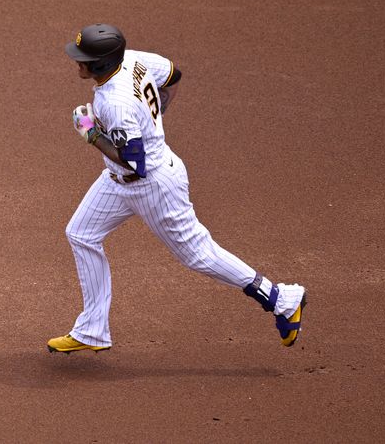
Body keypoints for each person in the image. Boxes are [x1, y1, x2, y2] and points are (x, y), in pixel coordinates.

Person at [47, 23, 306, 353]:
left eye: (83, 58)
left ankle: (281, 298)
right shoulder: (134, 60)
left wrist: (91, 134)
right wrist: (152, 121)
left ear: (100, 64)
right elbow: (173, 76)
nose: (77, 62)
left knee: (198, 254)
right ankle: (92, 330)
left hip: (151, 185)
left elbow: (134, 163)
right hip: (119, 181)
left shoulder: (115, 103)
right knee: (81, 234)